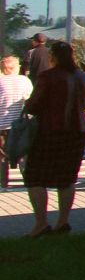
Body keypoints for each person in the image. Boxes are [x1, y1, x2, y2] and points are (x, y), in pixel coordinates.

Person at [20, 40, 85, 236]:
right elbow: (84, 103)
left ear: (53, 57)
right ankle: (63, 221)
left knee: (35, 177)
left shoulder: (48, 76)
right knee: (67, 178)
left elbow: (34, 105)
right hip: (77, 131)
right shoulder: (84, 77)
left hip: (49, 131)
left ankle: (41, 223)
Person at [0, 55, 31, 191]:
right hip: (20, 124)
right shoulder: (24, 81)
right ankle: (28, 179)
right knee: (23, 151)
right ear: (14, 68)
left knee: (2, 155)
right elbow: (29, 100)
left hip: (1, 124)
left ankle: (3, 182)